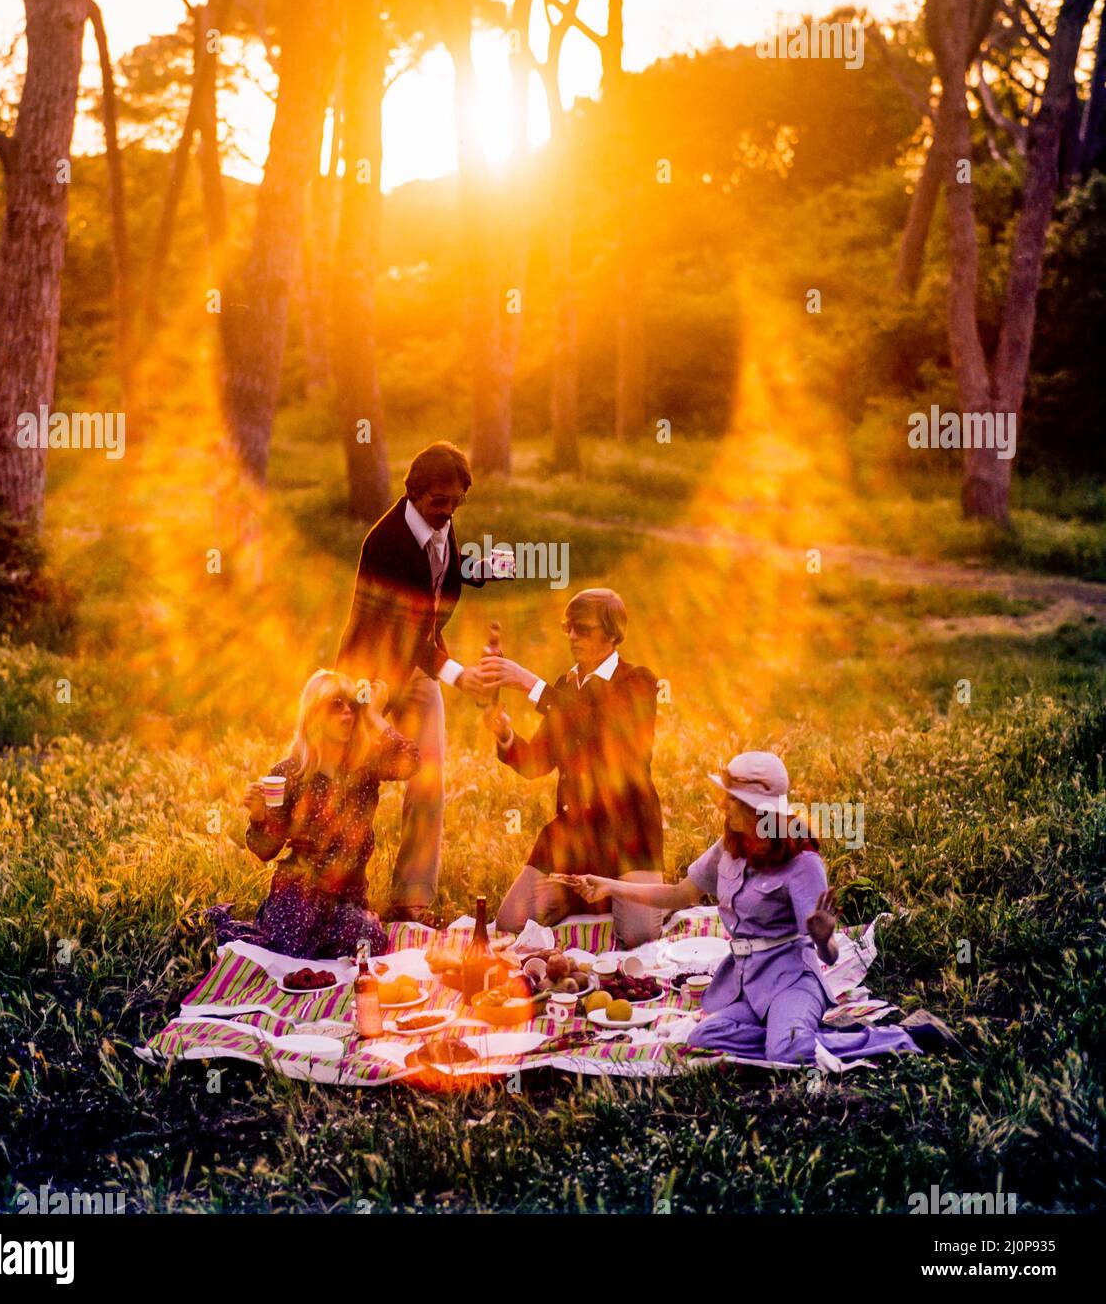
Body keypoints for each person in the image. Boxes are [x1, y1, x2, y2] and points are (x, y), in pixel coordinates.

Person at [567, 750, 959, 1062]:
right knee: (704, 1034)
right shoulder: (730, 847)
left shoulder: (803, 862)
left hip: (790, 980)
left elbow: (829, 949)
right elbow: (678, 896)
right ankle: (808, 1034)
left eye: (732, 800)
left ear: (759, 809)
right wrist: (608, 885)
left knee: (787, 1052)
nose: (724, 806)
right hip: (742, 982)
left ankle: (906, 1036)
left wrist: (824, 939)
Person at [336, 442, 492, 925]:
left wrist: (484, 569)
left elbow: (439, 585)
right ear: (413, 494)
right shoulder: (385, 545)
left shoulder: (441, 524)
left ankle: (412, 899)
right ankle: (339, 897)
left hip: (417, 670)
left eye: (456, 503)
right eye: (438, 502)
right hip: (370, 677)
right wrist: (459, 675)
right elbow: (404, 637)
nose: (447, 512)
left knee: (428, 777)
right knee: (353, 786)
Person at [478, 587, 667, 948]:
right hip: (571, 841)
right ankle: (584, 894)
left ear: (612, 634)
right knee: (510, 920)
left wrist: (532, 686)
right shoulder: (566, 686)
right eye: (569, 628)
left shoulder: (638, 682)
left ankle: (617, 891)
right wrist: (505, 736)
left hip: (629, 837)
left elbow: (604, 734)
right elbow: (536, 762)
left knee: (639, 936)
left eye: (584, 629)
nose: (573, 637)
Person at [210, 670, 419, 959]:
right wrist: (259, 817)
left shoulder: (364, 766)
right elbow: (265, 850)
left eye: (352, 705)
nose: (347, 712)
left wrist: (373, 715)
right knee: (290, 947)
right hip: (299, 894)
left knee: (371, 941)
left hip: (348, 899)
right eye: (336, 704)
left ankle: (312, 942)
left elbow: (411, 762)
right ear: (314, 715)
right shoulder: (289, 774)